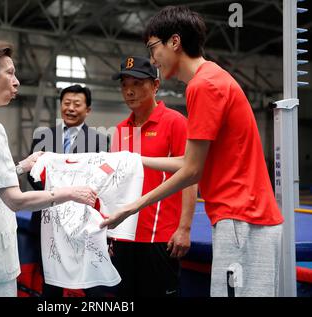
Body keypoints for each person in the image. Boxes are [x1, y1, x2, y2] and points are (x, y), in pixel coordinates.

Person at [101, 6, 284, 297]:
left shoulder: (203, 86)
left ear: (174, 42)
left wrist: (133, 206)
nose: (152, 58)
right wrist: (137, 160)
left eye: (153, 48)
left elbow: (192, 171)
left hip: (241, 217)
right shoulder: (212, 77)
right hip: (242, 217)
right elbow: (192, 161)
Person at [0, 40, 97, 297]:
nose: (16, 81)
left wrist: (22, 166)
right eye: (9, 72)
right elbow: (15, 200)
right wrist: (71, 192)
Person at [109, 56, 197, 297]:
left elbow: (191, 176)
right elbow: (114, 184)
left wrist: (184, 228)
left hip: (160, 237)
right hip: (124, 237)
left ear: (155, 86)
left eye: (137, 83)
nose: (129, 91)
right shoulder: (120, 130)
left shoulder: (176, 123)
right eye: (124, 84)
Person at [27, 84, 109, 297]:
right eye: (67, 103)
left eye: (77, 104)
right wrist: (56, 195)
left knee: (91, 284)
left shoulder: (99, 140)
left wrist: (76, 197)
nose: (71, 108)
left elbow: (104, 175)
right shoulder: (43, 136)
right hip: (48, 218)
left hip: (82, 222)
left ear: (88, 109)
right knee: (50, 285)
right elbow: (31, 173)